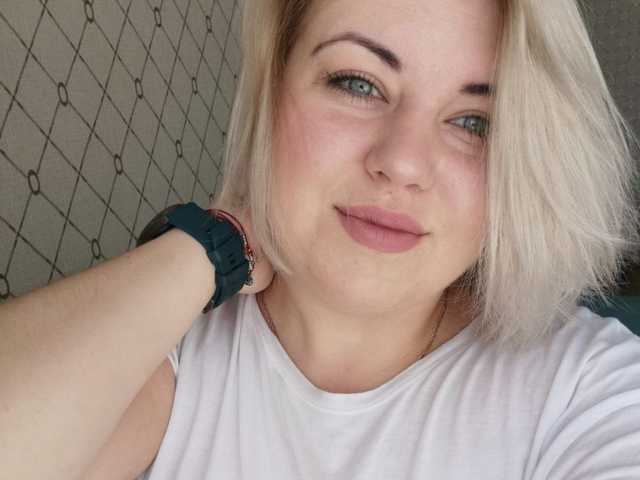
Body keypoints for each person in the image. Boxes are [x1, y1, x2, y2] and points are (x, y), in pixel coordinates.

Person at [1, 0, 639, 478]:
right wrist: (213, 241)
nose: (403, 163)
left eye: (474, 122)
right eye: (359, 83)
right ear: (271, 89)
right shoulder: (173, 349)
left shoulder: (588, 389)